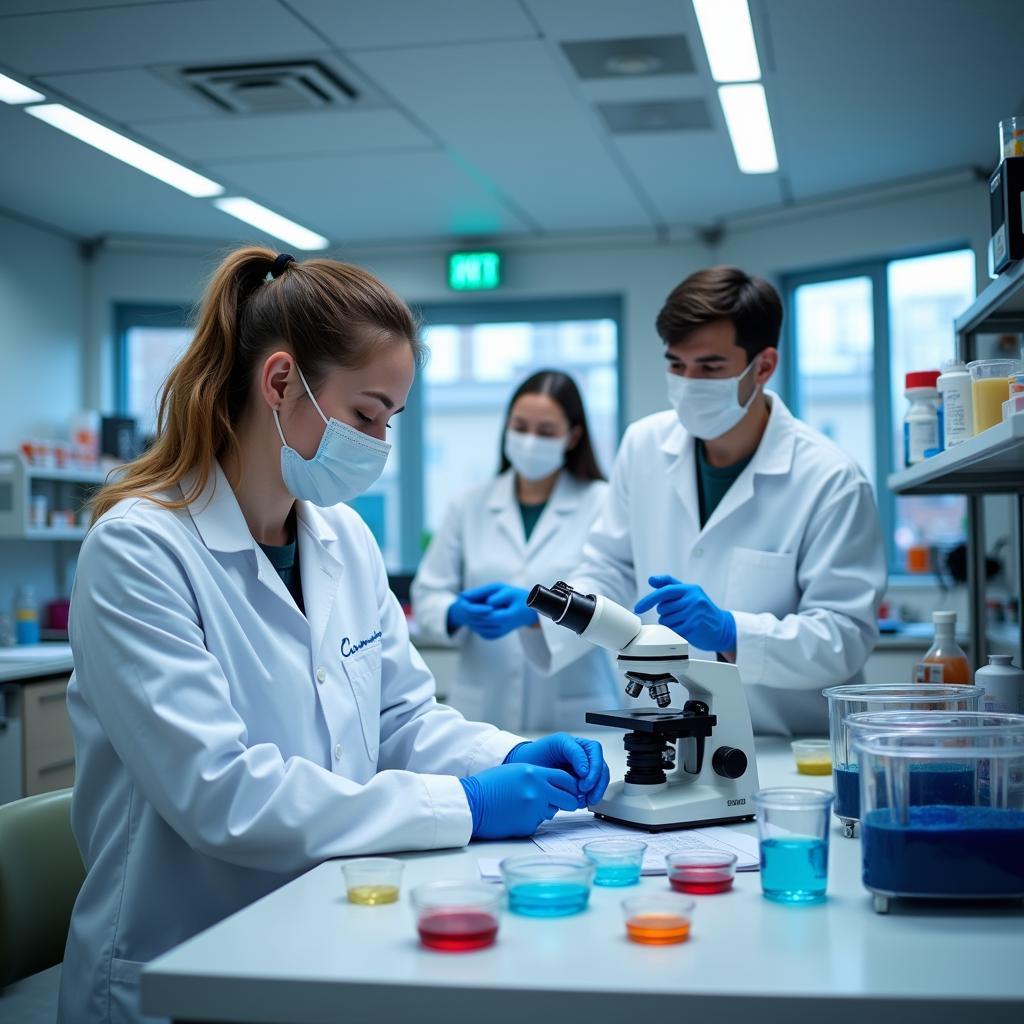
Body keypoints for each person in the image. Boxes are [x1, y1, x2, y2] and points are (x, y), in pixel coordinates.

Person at [60, 248, 609, 1024]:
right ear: (281, 382)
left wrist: (504, 755)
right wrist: (467, 803)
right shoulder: (139, 550)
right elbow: (222, 794)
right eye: (365, 413)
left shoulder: (342, 540)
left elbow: (402, 718)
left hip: (325, 931)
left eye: (391, 419)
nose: (381, 443)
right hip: (182, 960)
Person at [519, 266, 887, 736]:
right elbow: (609, 566)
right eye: (676, 365)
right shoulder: (644, 445)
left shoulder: (831, 479)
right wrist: (559, 610)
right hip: (664, 729)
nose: (689, 382)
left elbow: (844, 636)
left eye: (710, 367)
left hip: (785, 744)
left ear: (764, 366)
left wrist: (733, 632)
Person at [412, 371, 618, 730]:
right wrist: (454, 612)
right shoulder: (469, 505)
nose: (530, 440)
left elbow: (612, 597)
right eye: (520, 426)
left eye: (546, 431)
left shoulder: (603, 503)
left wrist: (538, 614)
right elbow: (429, 592)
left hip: (575, 706)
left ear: (573, 436)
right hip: (483, 705)